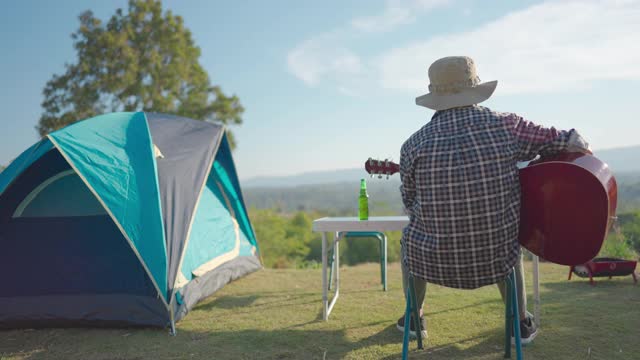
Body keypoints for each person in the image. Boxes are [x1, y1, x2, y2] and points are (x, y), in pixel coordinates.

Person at [397, 56, 591, 344]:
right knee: (507, 240)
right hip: (496, 260)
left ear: (434, 95)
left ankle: (414, 318)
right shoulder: (507, 126)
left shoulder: (412, 144)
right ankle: (520, 323)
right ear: (474, 88)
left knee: (409, 241)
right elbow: (569, 140)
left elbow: (410, 201)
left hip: (432, 262)